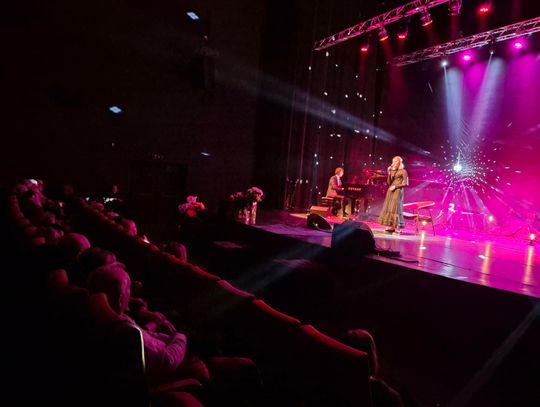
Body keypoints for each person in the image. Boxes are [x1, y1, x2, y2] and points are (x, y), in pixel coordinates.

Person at [379, 156, 408, 234]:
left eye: (396, 161)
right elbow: (389, 182)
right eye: (393, 161)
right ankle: (391, 227)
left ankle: (398, 228)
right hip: (391, 190)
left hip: (398, 190)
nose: (394, 163)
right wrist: (389, 173)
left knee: (396, 208)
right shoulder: (392, 171)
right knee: (390, 207)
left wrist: (396, 186)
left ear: (399, 162)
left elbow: (406, 183)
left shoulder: (403, 171)